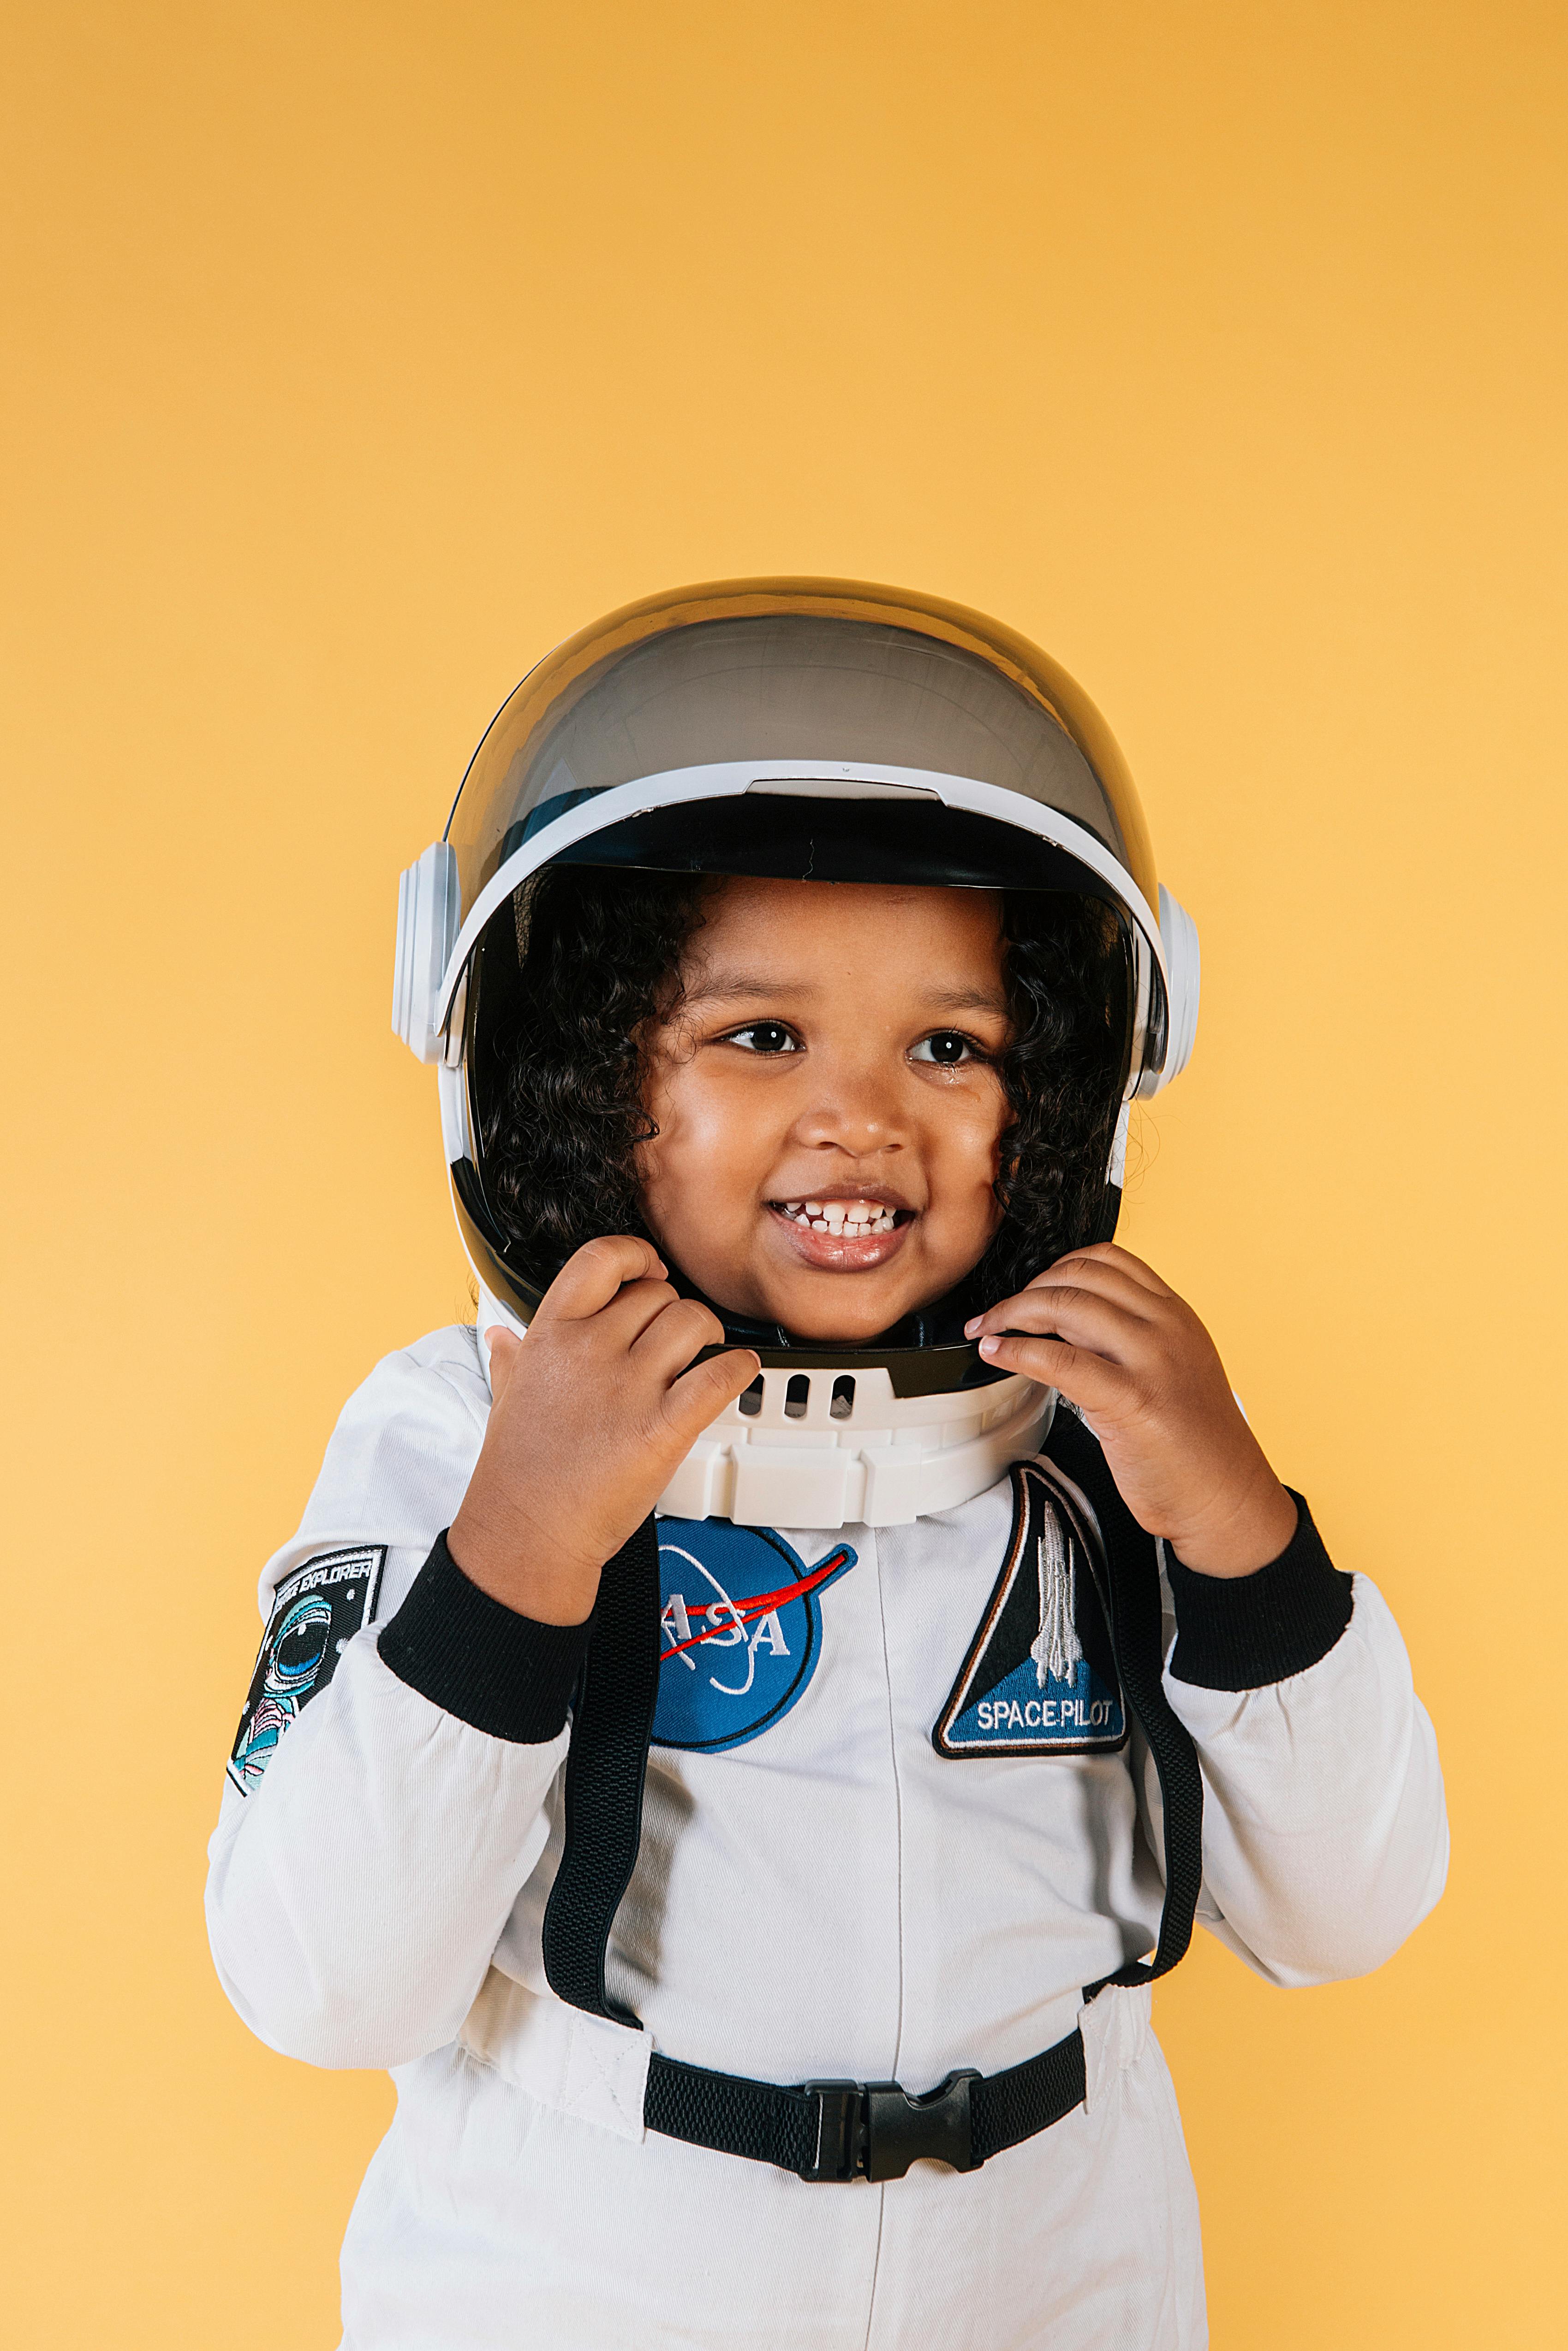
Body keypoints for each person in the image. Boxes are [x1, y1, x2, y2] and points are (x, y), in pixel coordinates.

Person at [206, 580, 1448, 2350]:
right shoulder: (461, 1435)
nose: (860, 1115)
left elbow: (1348, 1912)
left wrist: (1243, 1532)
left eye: (951, 1046)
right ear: (573, 1076)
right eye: (760, 1035)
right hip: (583, 2281)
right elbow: (324, 1985)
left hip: (1066, 2268)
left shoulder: (1110, 1451)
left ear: (1070, 1093)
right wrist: (521, 1550)